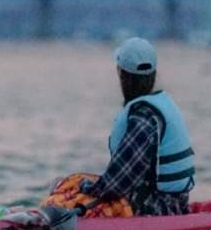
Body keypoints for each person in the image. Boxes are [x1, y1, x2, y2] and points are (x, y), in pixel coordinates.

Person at [79, 37, 195, 216]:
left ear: (121, 73)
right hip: (176, 205)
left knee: (68, 187)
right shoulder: (162, 105)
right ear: (153, 74)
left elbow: (116, 183)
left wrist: (84, 187)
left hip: (153, 209)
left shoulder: (143, 118)